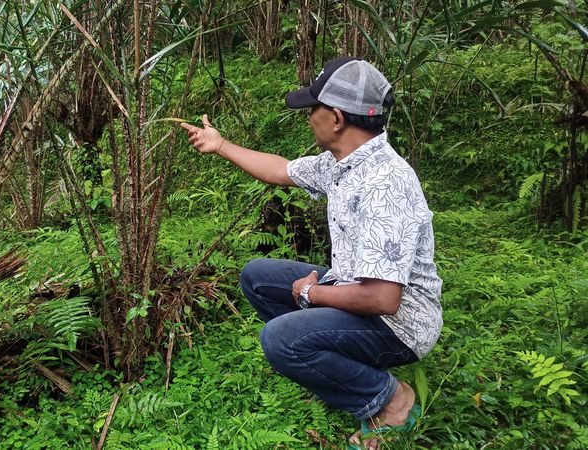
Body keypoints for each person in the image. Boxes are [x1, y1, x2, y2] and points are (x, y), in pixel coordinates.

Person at [180, 56, 442, 450]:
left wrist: (311, 293)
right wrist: (220, 146)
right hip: (358, 288)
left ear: (336, 118)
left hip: (401, 324)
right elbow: (282, 170)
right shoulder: (345, 163)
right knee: (258, 276)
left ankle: (390, 398)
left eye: (312, 109)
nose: (309, 117)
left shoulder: (384, 185)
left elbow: (383, 298)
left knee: (279, 339)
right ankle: (332, 369)